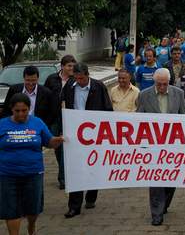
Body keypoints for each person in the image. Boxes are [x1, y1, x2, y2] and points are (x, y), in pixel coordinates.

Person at [0, 93, 64, 235]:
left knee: (32, 209)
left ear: (29, 109)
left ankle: (31, 226)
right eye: (17, 111)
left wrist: (58, 140)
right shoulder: (2, 124)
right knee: (11, 211)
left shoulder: (37, 123)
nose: (21, 114)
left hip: (33, 173)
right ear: (11, 109)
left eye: (24, 111)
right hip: (7, 175)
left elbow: (49, 142)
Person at [61, 63, 113, 218]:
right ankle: (74, 206)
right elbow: (62, 102)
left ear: (87, 75)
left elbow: (108, 109)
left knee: (93, 166)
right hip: (75, 132)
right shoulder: (70, 86)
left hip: (95, 134)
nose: (79, 81)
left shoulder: (98, 87)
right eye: (76, 78)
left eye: (82, 78)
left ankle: (91, 196)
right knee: (75, 169)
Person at [136, 68, 185, 226]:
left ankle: (164, 203)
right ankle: (156, 213)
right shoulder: (144, 95)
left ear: (169, 82)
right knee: (156, 179)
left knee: (171, 179)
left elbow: (184, 117)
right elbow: (138, 119)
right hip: (153, 145)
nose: (162, 87)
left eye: (165, 84)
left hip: (173, 144)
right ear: (154, 82)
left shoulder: (178, 93)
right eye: (159, 84)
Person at [44, 54, 76, 189]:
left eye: (73, 66)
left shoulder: (75, 80)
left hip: (68, 118)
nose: (71, 68)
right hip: (54, 118)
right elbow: (45, 97)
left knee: (65, 147)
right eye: (69, 66)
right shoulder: (52, 79)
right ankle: (64, 172)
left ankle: (63, 178)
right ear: (62, 66)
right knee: (56, 146)